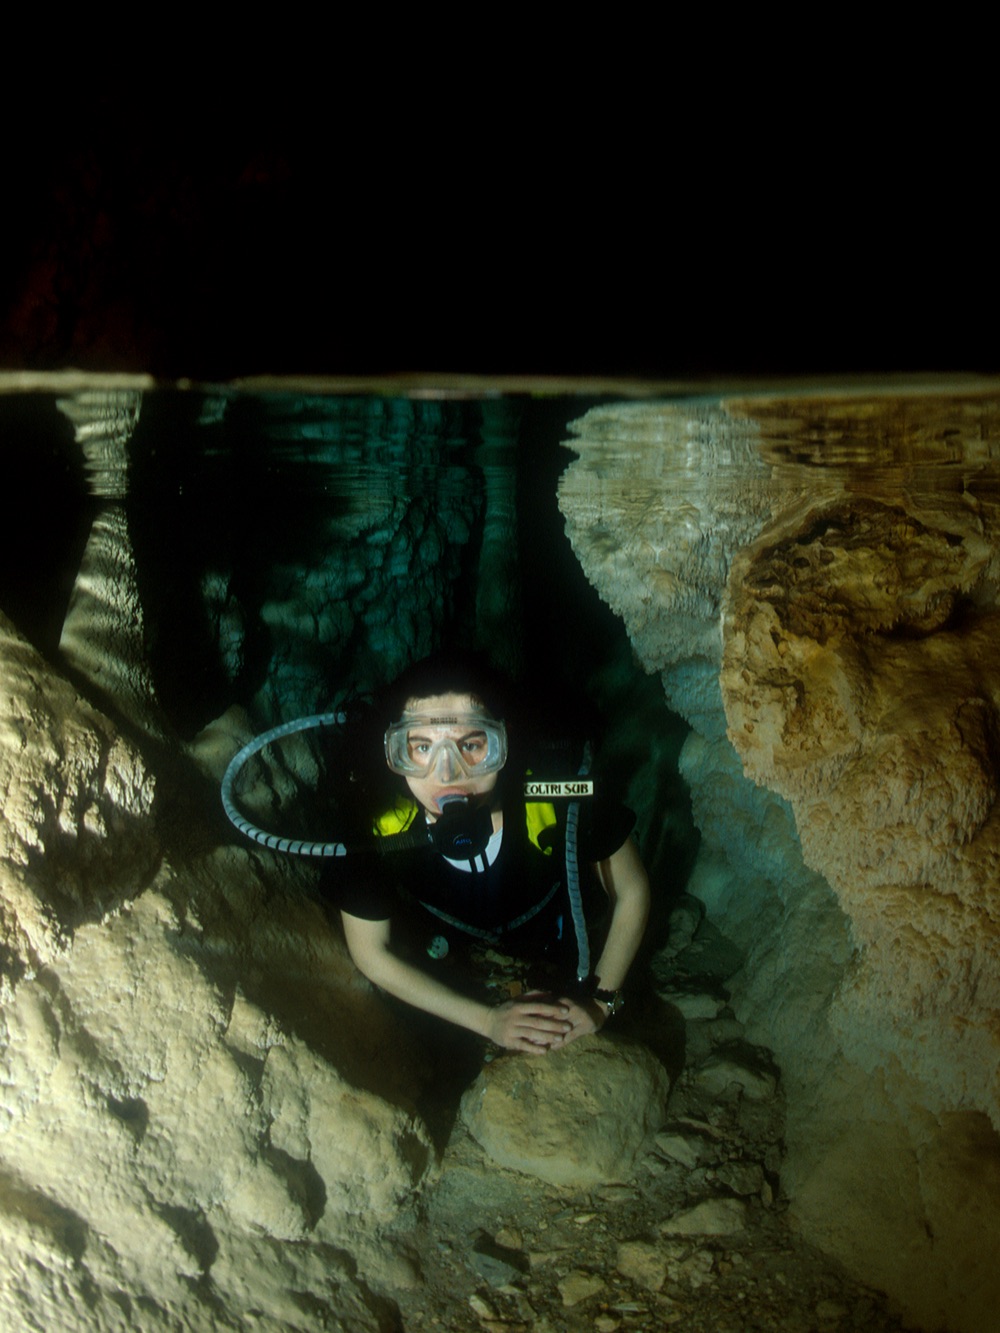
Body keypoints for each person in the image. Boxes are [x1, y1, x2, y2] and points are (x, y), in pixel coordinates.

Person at [327, 654, 650, 1055]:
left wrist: (602, 1002)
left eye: (472, 744)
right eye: (422, 747)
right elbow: (371, 954)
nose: (447, 773)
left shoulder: (557, 798)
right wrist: (487, 1022)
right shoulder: (378, 829)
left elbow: (632, 890)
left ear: (505, 742)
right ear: (393, 751)